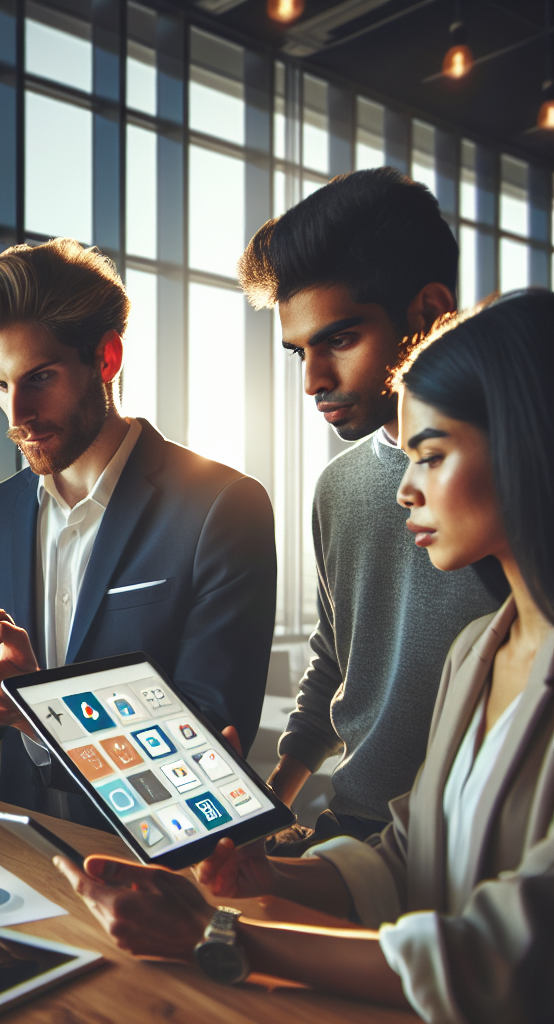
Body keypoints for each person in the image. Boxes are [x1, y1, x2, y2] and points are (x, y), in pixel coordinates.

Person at [56, 290, 554, 1023]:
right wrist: (271, 872)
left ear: (528, 443)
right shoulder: (481, 649)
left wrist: (218, 934)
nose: (406, 490)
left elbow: (504, 958)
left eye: (433, 455)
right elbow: (409, 857)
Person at [0, 238, 276, 828]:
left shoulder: (222, 507)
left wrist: (39, 710)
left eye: (40, 378)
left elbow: (210, 731)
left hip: (160, 867)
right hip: (24, 855)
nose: (16, 415)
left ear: (106, 359)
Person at [238, 168, 500, 848]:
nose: (312, 381)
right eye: (299, 351)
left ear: (428, 310)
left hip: (484, 837)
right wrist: (271, 804)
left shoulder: (509, 484)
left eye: (339, 340)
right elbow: (336, 656)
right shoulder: (338, 486)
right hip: (353, 827)